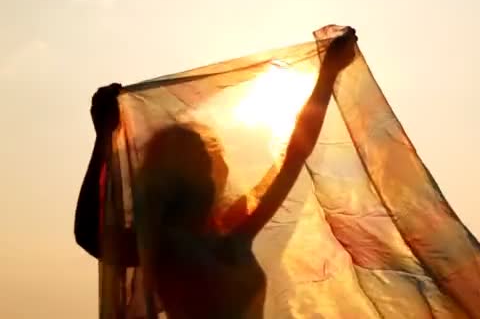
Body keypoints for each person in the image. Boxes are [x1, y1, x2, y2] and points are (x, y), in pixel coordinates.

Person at [74, 28, 358, 318]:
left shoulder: (232, 229)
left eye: (206, 164)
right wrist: (103, 139)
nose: (208, 175)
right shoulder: (162, 246)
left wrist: (328, 75)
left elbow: (294, 157)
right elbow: (89, 235)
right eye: (195, 165)